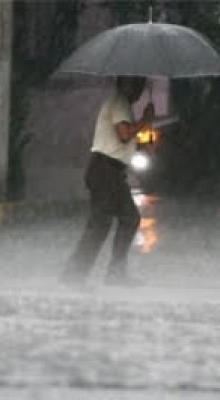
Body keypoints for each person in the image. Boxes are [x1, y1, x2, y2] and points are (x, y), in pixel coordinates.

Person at [60, 76, 155, 287]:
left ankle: (115, 273)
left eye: (141, 85)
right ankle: (73, 276)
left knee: (129, 219)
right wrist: (145, 120)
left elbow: (122, 142)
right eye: (135, 84)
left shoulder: (123, 106)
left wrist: (140, 145)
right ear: (123, 84)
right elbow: (124, 134)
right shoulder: (119, 102)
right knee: (100, 225)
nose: (139, 90)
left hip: (111, 171)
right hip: (105, 171)